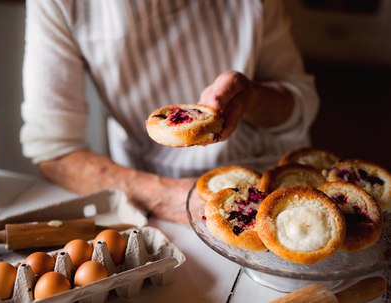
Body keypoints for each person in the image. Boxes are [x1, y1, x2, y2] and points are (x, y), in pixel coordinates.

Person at [20, 0, 319, 224]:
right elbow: (55, 151)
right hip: (155, 203)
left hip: (282, 189)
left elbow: (303, 104)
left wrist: (251, 98)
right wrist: (168, 196)